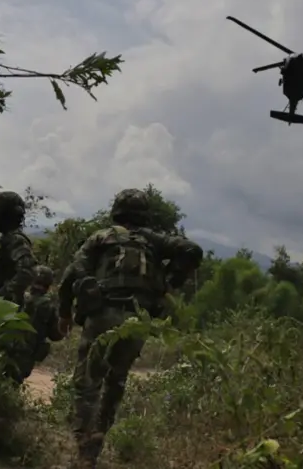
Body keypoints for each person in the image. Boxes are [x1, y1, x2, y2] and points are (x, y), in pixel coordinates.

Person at [57, 188, 204, 468]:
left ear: (116, 212)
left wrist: (64, 314)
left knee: (88, 382)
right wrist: (169, 283)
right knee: (116, 380)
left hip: (102, 315)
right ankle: (98, 437)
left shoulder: (101, 237)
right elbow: (191, 250)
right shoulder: (153, 241)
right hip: (137, 321)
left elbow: (72, 274)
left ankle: (83, 448)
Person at [0, 190, 63, 384]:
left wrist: (2, 296)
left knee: (3, 362)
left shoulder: (15, 239)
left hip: (3, 310)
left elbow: (27, 270)